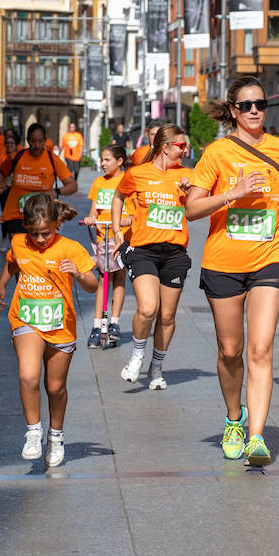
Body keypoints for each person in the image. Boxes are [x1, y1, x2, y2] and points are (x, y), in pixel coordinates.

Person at [187, 76, 279, 467]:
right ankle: (234, 419)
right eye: (247, 105)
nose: (255, 111)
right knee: (230, 350)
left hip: (270, 257)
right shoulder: (217, 152)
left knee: (260, 348)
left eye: (261, 104)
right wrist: (233, 194)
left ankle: (256, 436)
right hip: (224, 262)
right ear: (233, 111)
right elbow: (193, 208)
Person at [0, 193, 98, 468]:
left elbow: (93, 286)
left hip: (60, 325)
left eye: (46, 233)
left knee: (55, 387)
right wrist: (2, 284)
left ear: (57, 224)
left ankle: (56, 435)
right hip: (26, 318)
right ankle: (33, 432)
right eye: (34, 234)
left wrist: (77, 273)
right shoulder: (18, 242)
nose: (40, 240)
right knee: (28, 375)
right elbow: (13, 262)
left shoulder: (70, 248)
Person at [113, 125, 195, 390]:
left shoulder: (188, 175)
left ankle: (156, 366)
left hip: (174, 253)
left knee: (167, 316)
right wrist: (117, 232)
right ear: (165, 147)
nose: (185, 149)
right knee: (148, 308)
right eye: (181, 145)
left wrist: (191, 190)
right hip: (143, 250)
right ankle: (137, 355)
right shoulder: (137, 173)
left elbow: (198, 207)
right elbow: (118, 196)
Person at [0, 123, 77, 242]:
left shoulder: (52, 159)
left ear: (45, 140)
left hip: (41, 216)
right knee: (18, 252)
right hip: (16, 215)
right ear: (28, 140)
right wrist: (0, 184)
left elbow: (73, 186)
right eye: (33, 141)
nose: (37, 145)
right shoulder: (17, 156)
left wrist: (55, 192)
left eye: (40, 141)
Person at [83, 144, 130, 347]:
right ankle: (97, 325)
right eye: (102, 159)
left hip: (123, 238)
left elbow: (136, 210)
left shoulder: (128, 181)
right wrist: (91, 218)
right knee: (103, 278)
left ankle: (115, 323)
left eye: (107, 159)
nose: (102, 163)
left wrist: (128, 220)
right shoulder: (98, 182)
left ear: (120, 161)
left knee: (119, 277)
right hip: (104, 236)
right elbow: (94, 210)